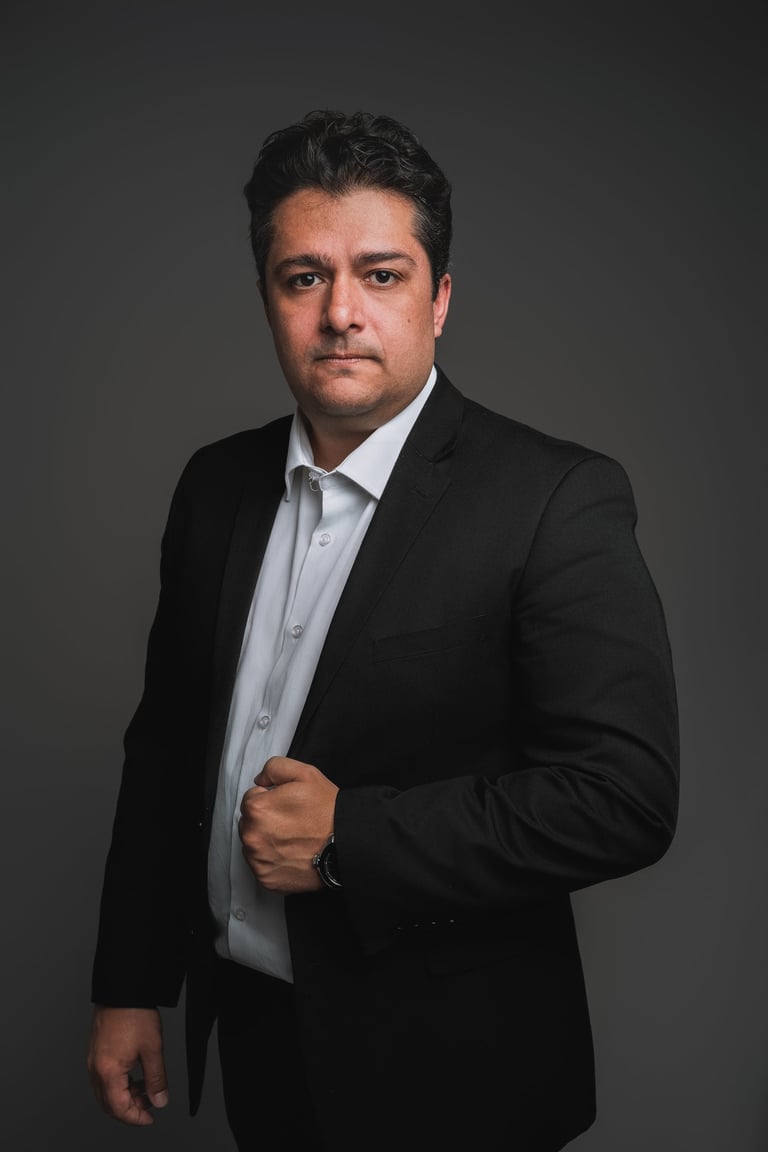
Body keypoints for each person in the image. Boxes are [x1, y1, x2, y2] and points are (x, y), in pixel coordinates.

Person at [87, 109, 679, 1152]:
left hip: (455, 1071)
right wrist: (131, 985)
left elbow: (622, 800)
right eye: (304, 277)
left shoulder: (555, 498)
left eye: (382, 275)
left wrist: (348, 840)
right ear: (267, 298)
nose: (340, 313)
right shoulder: (215, 486)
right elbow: (168, 747)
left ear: (439, 298)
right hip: (259, 1038)